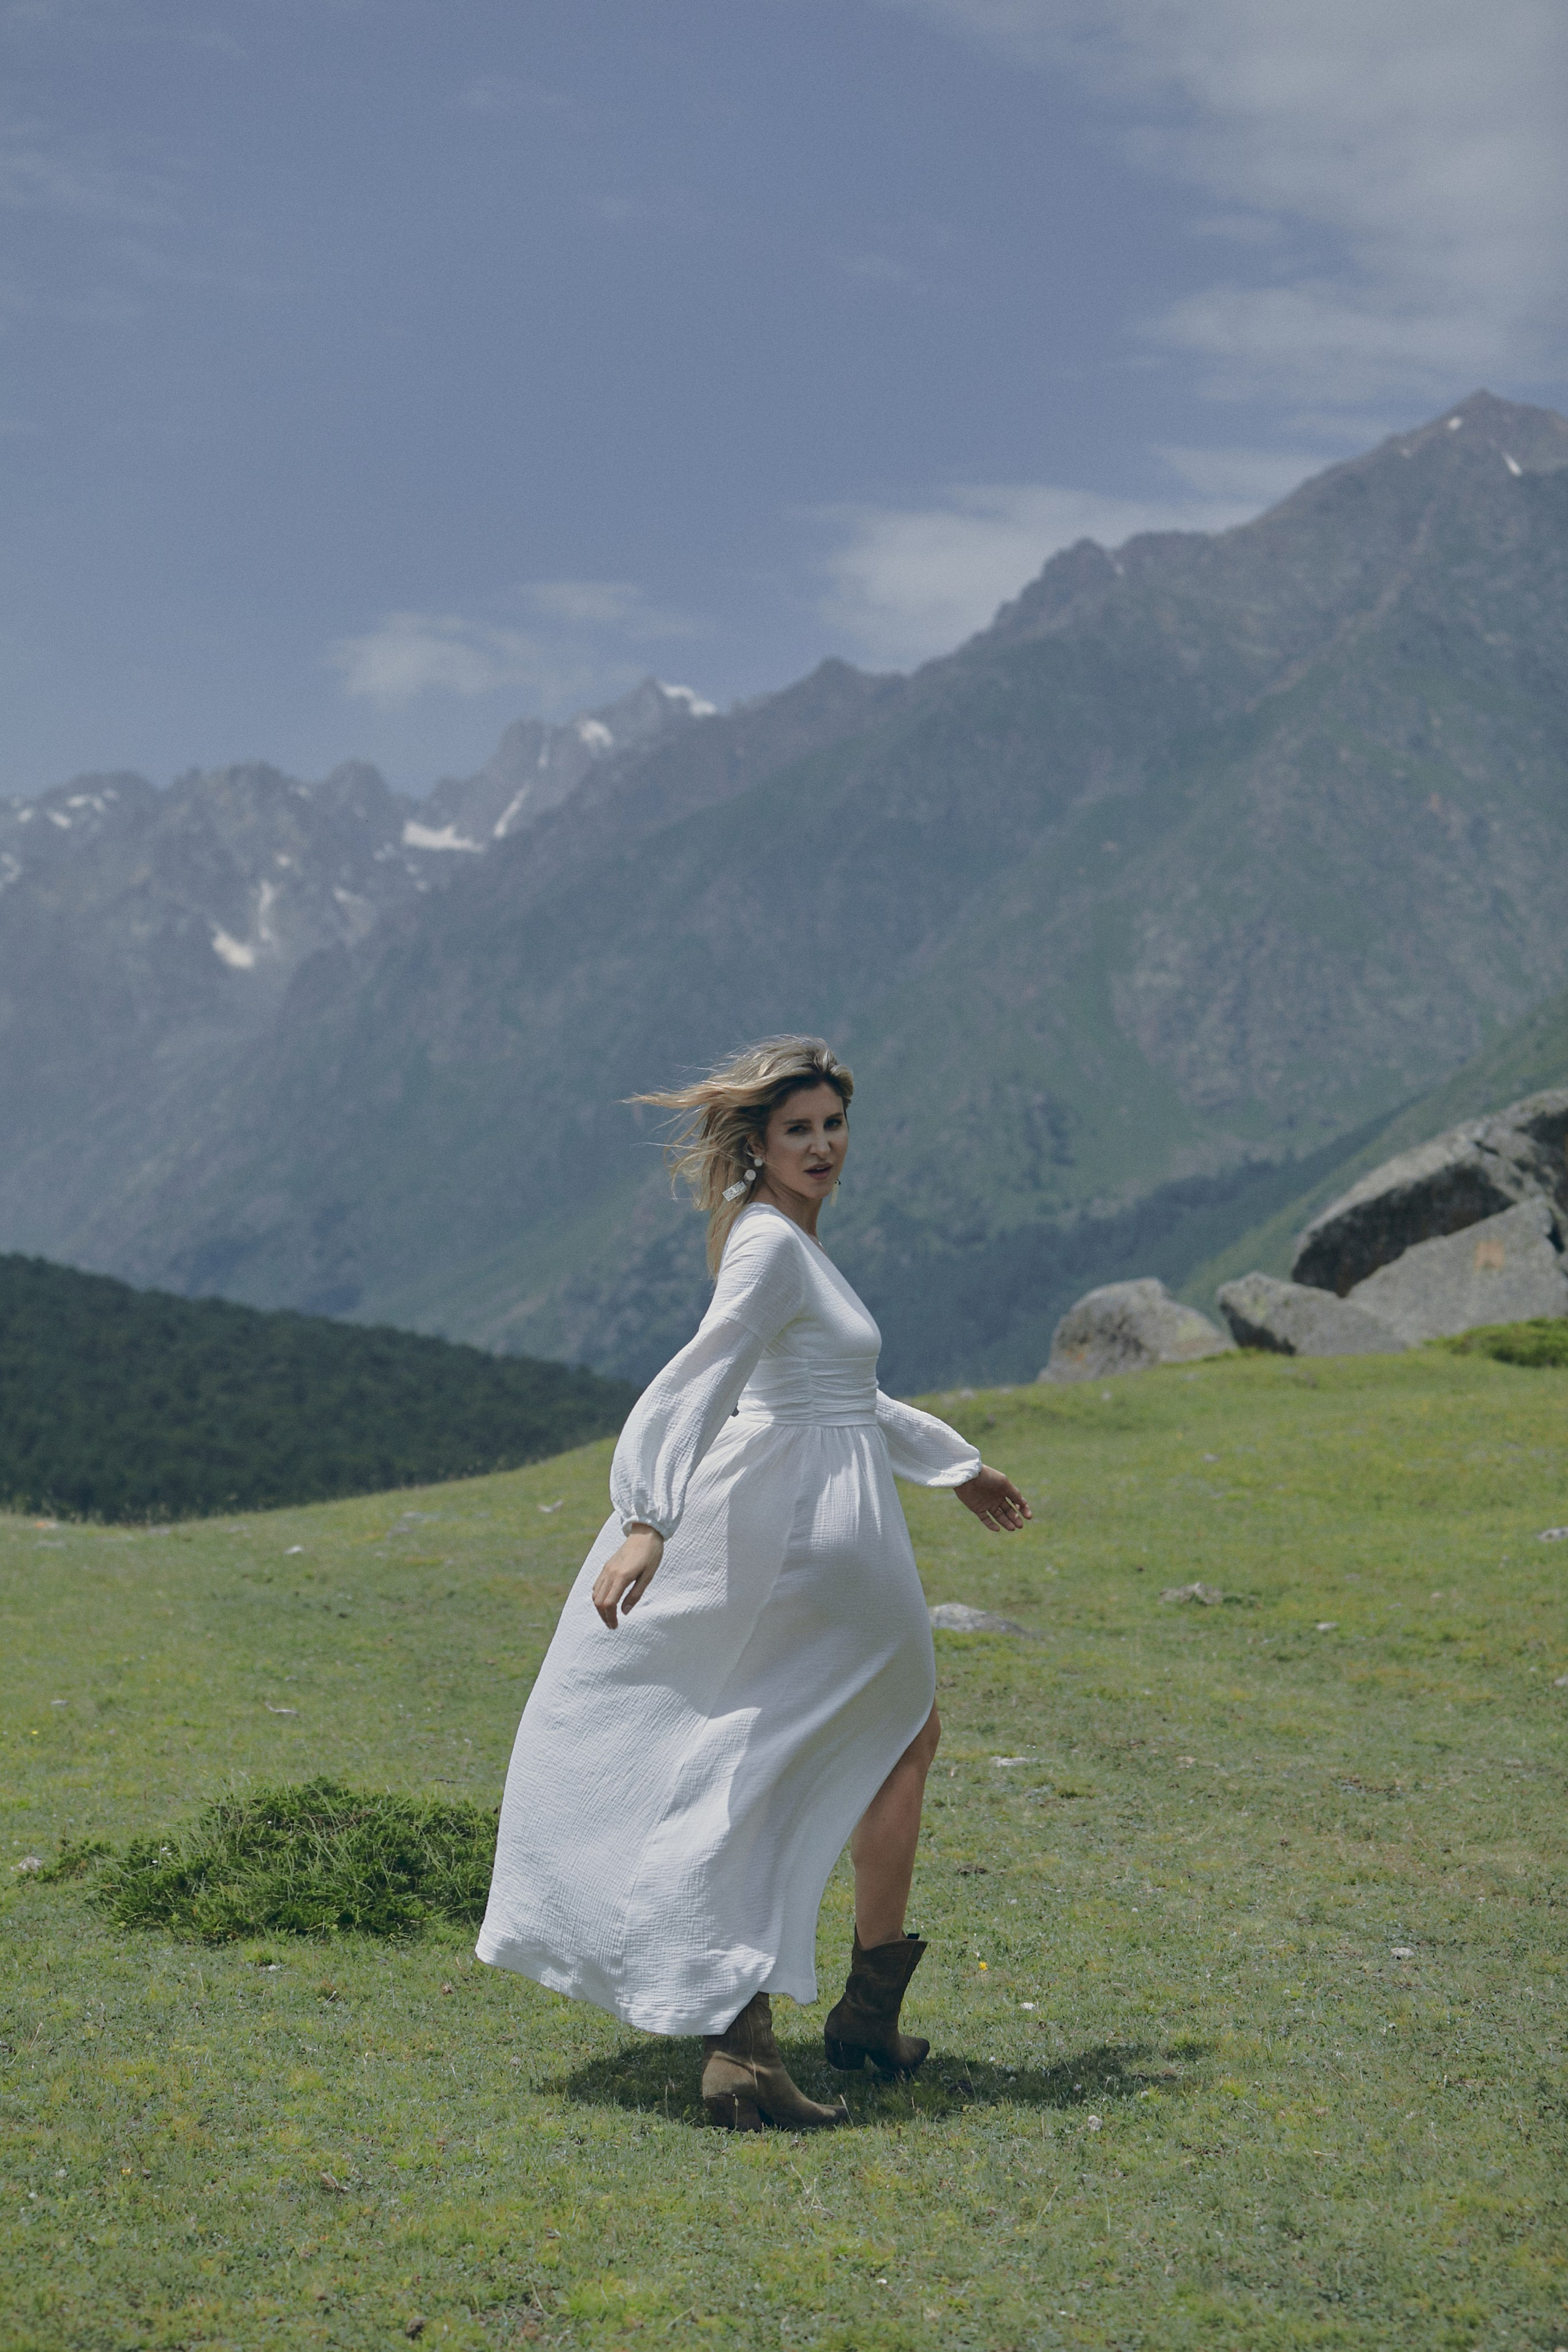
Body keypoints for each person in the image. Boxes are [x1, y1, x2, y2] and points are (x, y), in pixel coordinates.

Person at [476, 1036, 1030, 2128]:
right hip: (818, 1534)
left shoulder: (785, 1239)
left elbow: (840, 1392)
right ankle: (767, 2033)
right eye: (798, 1130)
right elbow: (706, 1373)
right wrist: (646, 1518)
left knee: (885, 1738)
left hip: (822, 1514)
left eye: (833, 1126)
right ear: (759, 1144)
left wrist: (952, 1463)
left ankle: (832, 2019)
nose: (822, 1147)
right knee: (815, 1751)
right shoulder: (771, 1247)